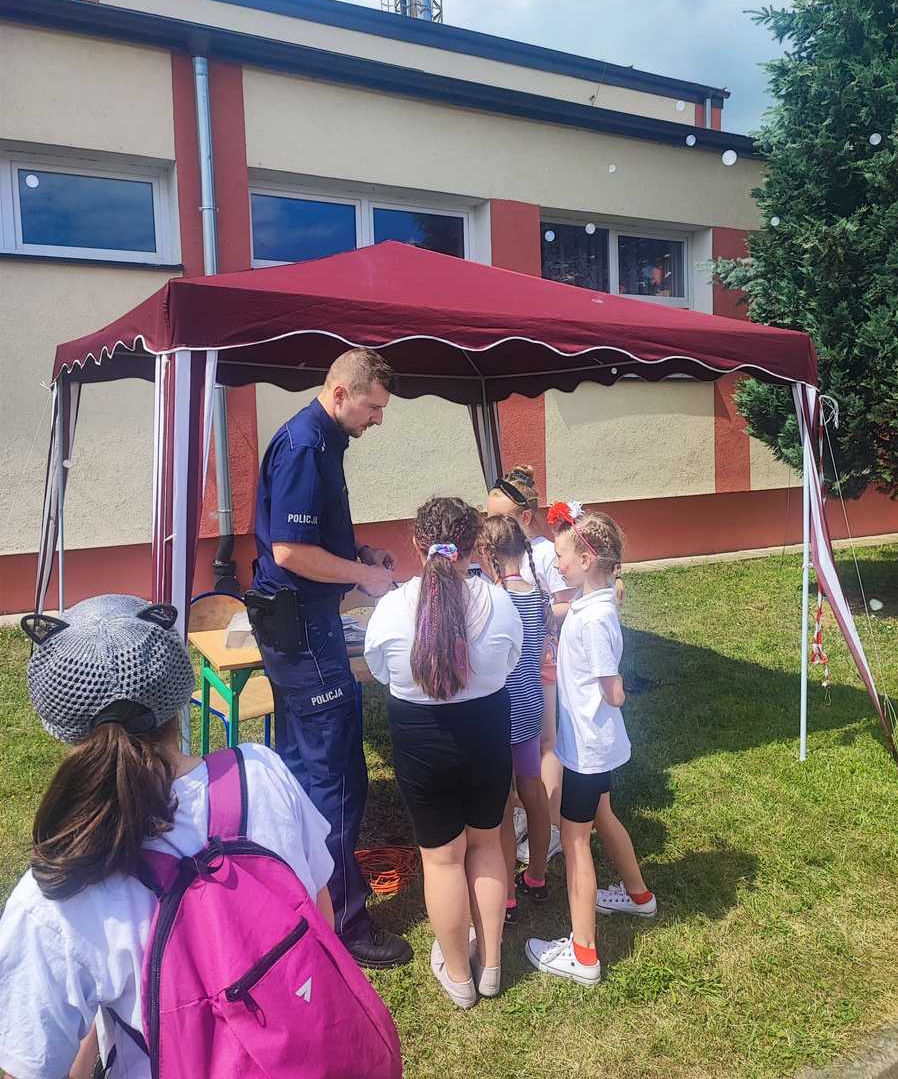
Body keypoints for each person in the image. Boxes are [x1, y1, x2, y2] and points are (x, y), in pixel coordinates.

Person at [0, 594, 336, 1079]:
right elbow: (319, 915)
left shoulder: (58, 890)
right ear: (180, 695)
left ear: (59, 723)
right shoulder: (263, 773)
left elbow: (31, 1063)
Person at [250, 348, 411, 969]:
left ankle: (300, 894)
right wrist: (363, 578)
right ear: (341, 393)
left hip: (302, 626)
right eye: (373, 407)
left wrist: (358, 552)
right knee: (335, 775)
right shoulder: (304, 445)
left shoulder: (325, 440)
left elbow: (309, 532)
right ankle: (345, 921)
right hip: (304, 632)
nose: (379, 419)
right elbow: (290, 551)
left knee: (299, 769)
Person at [364, 498, 523, 1008]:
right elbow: (511, 661)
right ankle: (491, 966)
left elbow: (381, 671)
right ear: (475, 546)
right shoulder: (499, 603)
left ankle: (458, 976)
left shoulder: (391, 608)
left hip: (421, 739)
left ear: (417, 544)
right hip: (486, 731)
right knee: (487, 846)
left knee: (441, 859)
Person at [525, 507, 656, 986]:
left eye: (561, 556)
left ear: (585, 560)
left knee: (575, 840)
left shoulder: (595, 619)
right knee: (603, 815)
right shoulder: (590, 606)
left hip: (587, 751)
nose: (556, 563)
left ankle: (583, 955)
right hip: (593, 746)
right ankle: (639, 898)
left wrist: (616, 692)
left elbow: (612, 688)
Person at [485, 464, 573, 864]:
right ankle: (528, 815)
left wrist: (535, 617)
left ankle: (550, 825)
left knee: (546, 742)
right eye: (488, 518)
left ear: (523, 518)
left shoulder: (545, 554)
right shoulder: (515, 557)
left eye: (499, 518)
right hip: (523, 663)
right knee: (526, 749)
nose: (492, 526)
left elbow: (567, 601)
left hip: (541, 658)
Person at [480, 515, 553, 923]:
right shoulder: (537, 596)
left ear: (487, 553)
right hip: (530, 708)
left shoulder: (494, 600)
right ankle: (537, 877)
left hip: (500, 713)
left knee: (504, 804)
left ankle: (507, 894)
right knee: (533, 791)